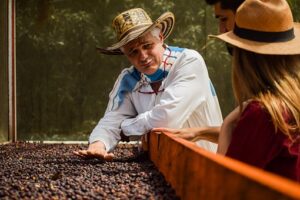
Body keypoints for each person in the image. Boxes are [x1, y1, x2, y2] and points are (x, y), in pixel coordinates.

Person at [158, 0, 300, 181]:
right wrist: (200, 132)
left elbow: (221, 186)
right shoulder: (290, 100)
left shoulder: (262, 113)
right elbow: (257, 140)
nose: (221, 29)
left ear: (245, 58)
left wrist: (226, 126)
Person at [74, 8, 223, 160]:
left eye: (147, 46)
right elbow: (112, 119)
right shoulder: (128, 79)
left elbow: (166, 119)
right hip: (162, 167)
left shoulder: (188, 61)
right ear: (125, 54)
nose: (143, 57)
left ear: (161, 37)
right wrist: (98, 145)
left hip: (210, 164)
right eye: (133, 52)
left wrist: (125, 127)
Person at [152, 0, 245, 143]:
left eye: (224, 19)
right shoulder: (244, 69)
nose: (221, 30)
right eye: (132, 51)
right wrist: (198, 132)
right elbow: (243, 131)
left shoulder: (189, 60)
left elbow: (249, 135)